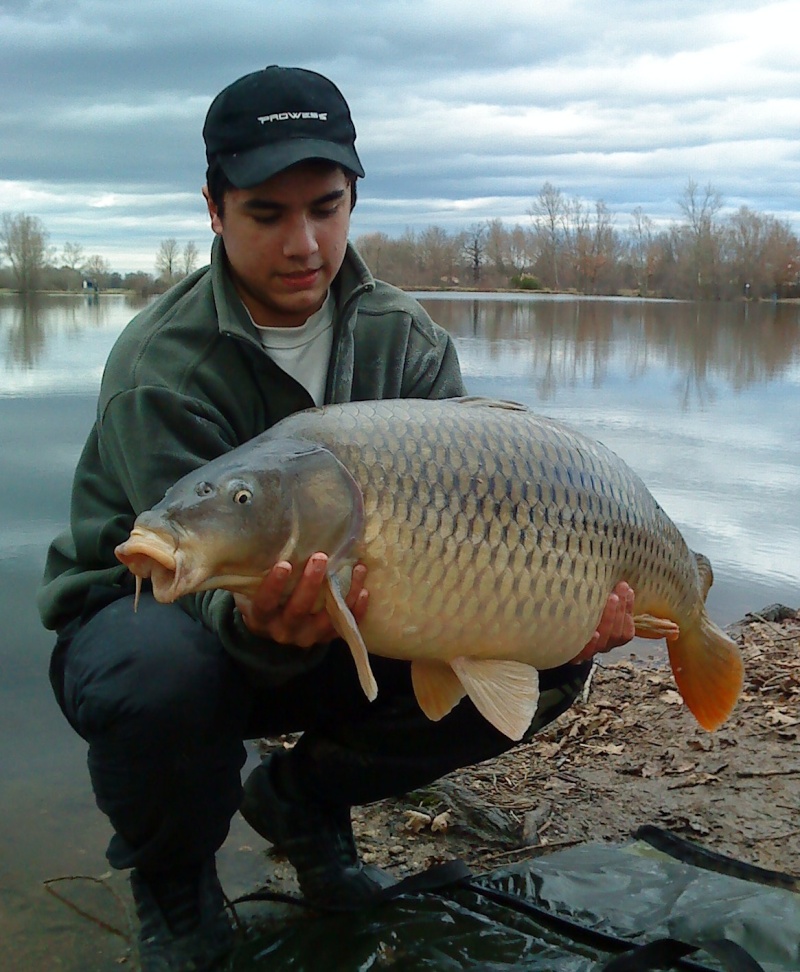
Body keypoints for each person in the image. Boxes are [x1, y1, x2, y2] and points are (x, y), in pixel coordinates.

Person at [38, 66, 636, 972]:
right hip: (156, 618)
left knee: (544, 665)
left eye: (325, 206)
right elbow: (181, 570)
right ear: (213, 208)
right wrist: (253, 619)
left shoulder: (409, 340)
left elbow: (479, 531)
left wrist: (563, 615)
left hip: (357, 615)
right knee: (160, 676)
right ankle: (174, 887)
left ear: (353, 197)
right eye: (266, 214)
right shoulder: (158, 365)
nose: (304, 242)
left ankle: (304, 801)